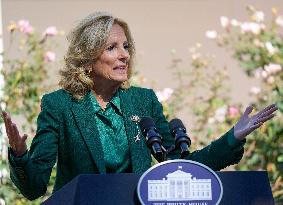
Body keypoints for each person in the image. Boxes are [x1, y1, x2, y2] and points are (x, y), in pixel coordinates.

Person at [2, 12, 278, 201]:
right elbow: (34, 187)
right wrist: (19, 153)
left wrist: (233, 136)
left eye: (125, 46)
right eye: (112, 48)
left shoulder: (143, 101)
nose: (124, 55)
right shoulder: (60, 106)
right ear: (87, 59)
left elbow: (180, 165)